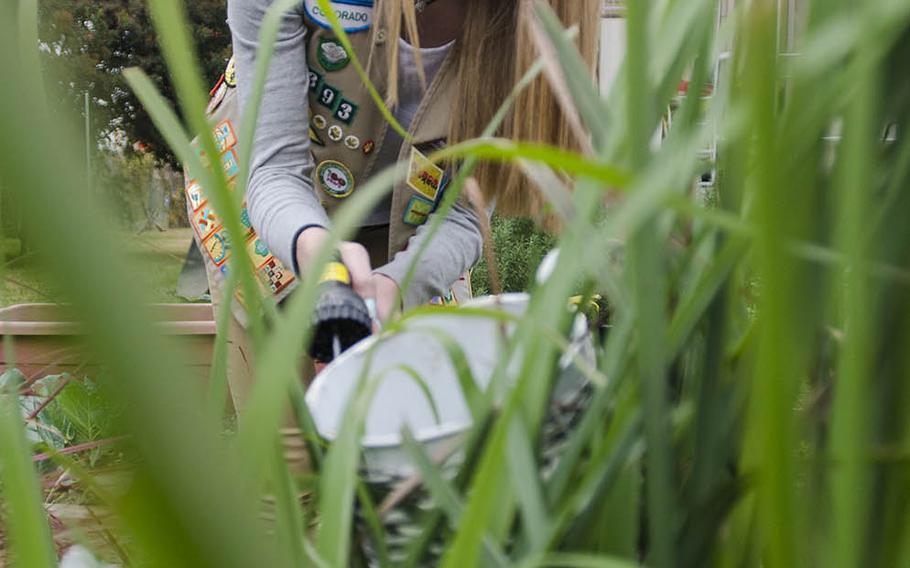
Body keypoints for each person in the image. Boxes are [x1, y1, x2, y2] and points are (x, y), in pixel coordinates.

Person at [206, 0, 600, 412]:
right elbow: (277, 172)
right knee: (289, 452)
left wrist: (399, 284)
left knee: (419, 434)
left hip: (417, 228)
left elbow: (465, 213)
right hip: (269, 214)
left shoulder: (529, 22)